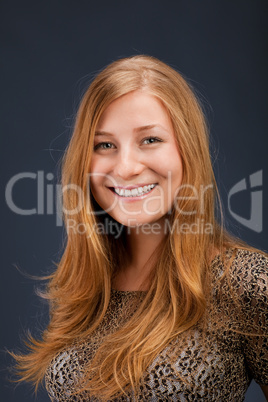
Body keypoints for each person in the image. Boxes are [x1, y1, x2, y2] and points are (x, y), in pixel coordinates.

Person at [13, 55, 268, 401]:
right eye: (105, 145)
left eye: (150, 140)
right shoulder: (87, 285)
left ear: (186, 150)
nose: (127, 167)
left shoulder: (247, 283)